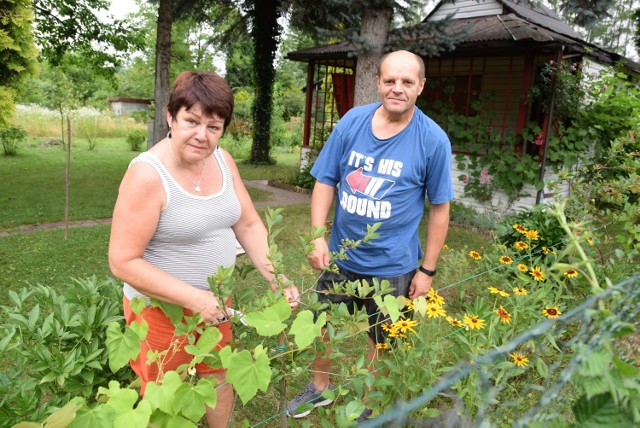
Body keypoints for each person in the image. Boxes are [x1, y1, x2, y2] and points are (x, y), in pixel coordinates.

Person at [109, 71, 300, 427]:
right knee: (166, 396)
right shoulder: (147, 175)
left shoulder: (223, 162)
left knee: (217, 375)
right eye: (192, 121)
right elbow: (122, 261)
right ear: (171, 116)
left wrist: (277, 277)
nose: (202, 135)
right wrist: (194, 299)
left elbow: (247, 223)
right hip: (161, 313)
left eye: (214, 126)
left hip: (215, 305)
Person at [286, 50, 454, 422]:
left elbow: (440, 207)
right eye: (390, 80)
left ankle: (370, 403)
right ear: (378, 82)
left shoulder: (433, 140)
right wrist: (318, 237)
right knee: (321, 325)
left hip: (394, 264)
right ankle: (320, 388)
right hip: (342, 256)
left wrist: (427, 271)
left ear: (421, 87)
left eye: (407, 82)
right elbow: (325, 179)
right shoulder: (352, 122)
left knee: (383, 339)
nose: (398, 88)